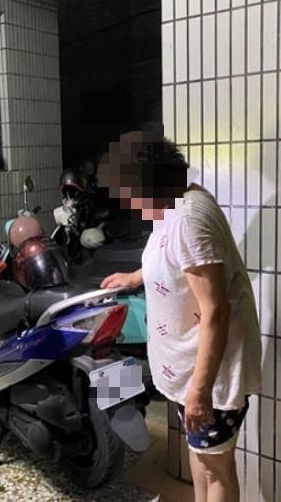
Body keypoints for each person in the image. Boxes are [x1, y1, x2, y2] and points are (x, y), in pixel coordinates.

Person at [99, 131, 261, 502]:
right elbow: (173, 257)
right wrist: (136, 277)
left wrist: (200, 392)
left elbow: (216, 310)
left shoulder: (189, 220)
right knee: (201, 457)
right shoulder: (174, 206)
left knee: (216, 468)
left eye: (129, 194)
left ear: (148, 185)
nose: (128, 203)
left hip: (209, 378)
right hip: (188, 370)